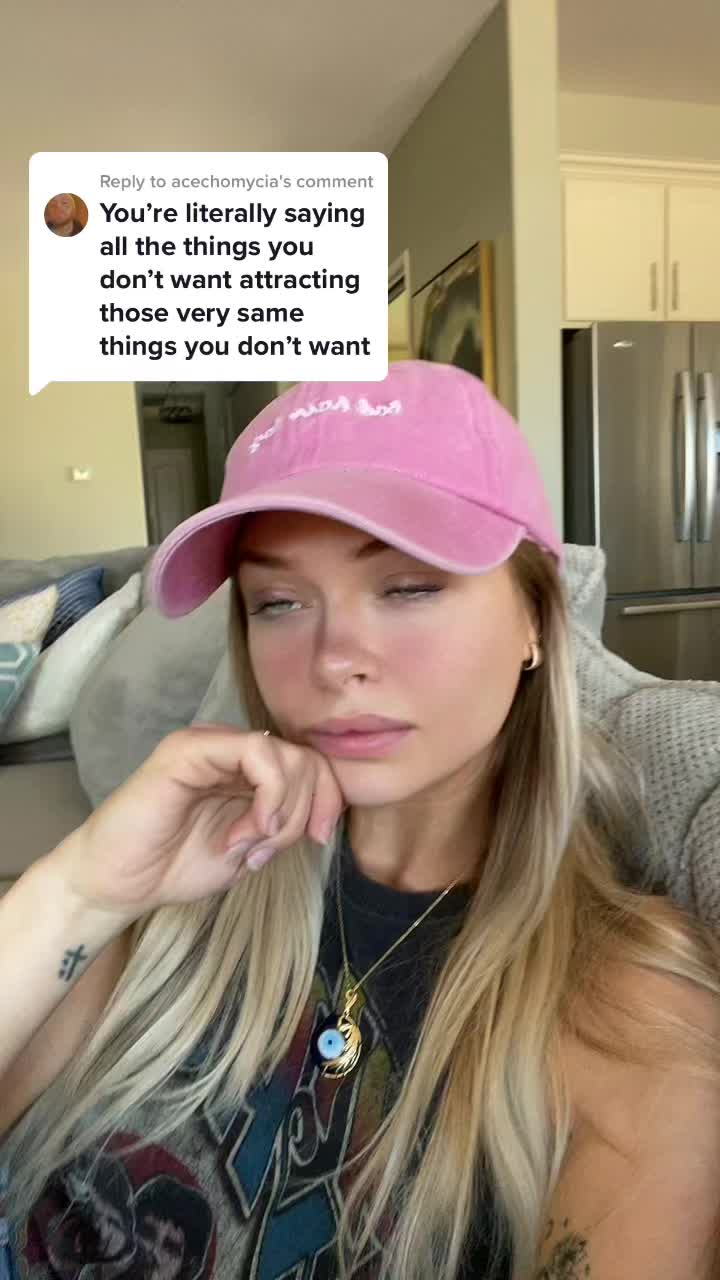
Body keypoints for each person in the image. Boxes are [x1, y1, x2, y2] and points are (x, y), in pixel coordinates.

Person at [2, 360, 720, 1280]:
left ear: (537, 621)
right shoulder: (180, 886)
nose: (334, 657)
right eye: (279, 603)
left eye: (409, 586)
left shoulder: (628, 1015)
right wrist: (78, 890)